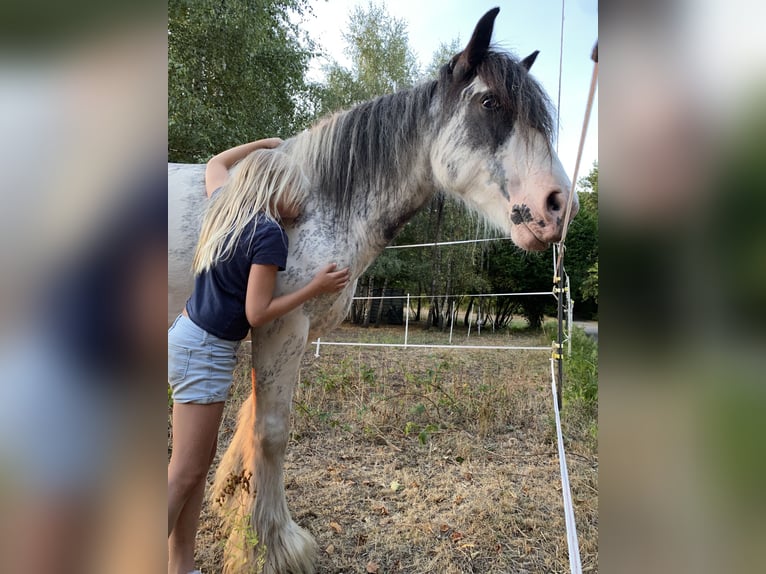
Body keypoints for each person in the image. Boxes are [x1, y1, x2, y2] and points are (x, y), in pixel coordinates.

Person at [167, 138, 349, 574]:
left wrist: (265, 144)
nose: (302, 202)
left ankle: (181, 566)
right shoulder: (268, 233)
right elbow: (257, 312)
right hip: (207, 353)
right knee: (186, 473)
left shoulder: (224, 207)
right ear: (274, 186)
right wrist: (314, 289)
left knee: (191, 467)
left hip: (186, 339)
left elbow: (215, 162)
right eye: (296, 190)